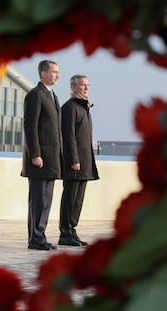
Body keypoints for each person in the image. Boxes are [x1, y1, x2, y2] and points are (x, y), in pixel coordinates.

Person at [21, 60, 62, 251]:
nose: (57, 75)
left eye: (58, 72)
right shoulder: (35, 95)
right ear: (43, 74)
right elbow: (30, 127)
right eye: (54, 72)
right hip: (40, 159)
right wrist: (35, 154)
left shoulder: (52, 96)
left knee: (46, 201)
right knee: (38, 200)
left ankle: (40, 235)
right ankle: (35, 238)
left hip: (52, 159)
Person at [58, 74, 99, 247]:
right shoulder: (69, 107)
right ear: (73, 87)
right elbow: (68, 137)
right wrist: (74, 160)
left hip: (85, 163)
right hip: (74, 163)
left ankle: (72, 230)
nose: (86, 88)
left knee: (78, 199)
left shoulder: (84, 108)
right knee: (70, 197)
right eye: (82, 85)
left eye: (87, 85)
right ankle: (65, 233)